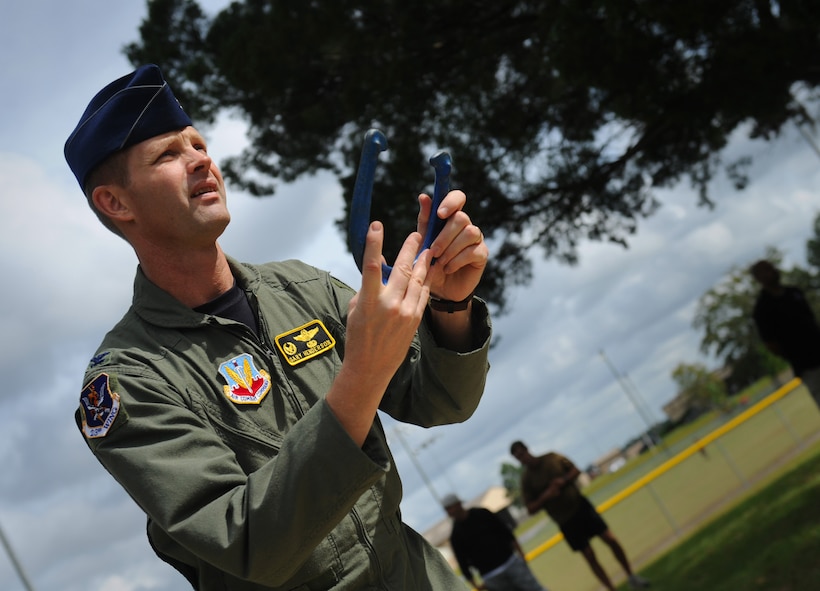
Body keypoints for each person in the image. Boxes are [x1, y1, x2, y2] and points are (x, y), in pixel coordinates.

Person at [64, 64, 492, 591]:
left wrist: (451, 306)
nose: (200, 159)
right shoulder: (130, 381)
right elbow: (248, 543)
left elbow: (442, 403)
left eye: (198, 144)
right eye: (168, 155)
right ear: (115, 202)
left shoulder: (301, 287)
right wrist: (362, 374)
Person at [510, 442, 650, 591]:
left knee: (610, 539)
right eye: (518, 457)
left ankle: (631, 576)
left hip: (580, 507)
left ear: (527, 449)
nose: (522, 458)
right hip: (565, 520)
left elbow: (575, 470)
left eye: (522, 453)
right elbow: (530, 508)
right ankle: (611, 588)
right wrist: (547, 495)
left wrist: (563, 481)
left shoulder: (551, 458)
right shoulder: (526, 481)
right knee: (589, 555)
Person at [443, 493, 550, 591]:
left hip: (510, 562)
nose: (449, 512)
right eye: (446, 510)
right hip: (491, 576)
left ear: (458, 504)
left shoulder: (482, 514)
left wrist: (521, 553)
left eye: (449, 508)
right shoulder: (455, 536)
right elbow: (462, 562)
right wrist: (475, 585)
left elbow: (505, 532)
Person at [750, 259, 820, 406]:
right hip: (807, 366)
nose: (772, 271)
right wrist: (795, 355)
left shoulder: (793, 292)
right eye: (766, 270)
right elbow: (771, 344)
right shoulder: (763, 309)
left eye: (772, 267)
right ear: (758, 278)